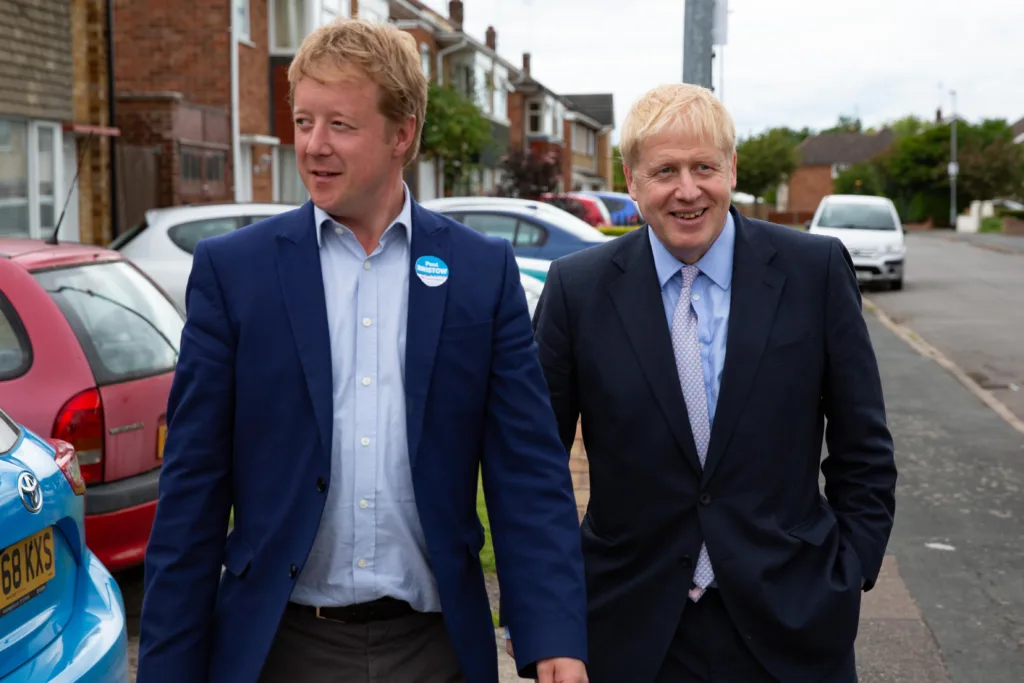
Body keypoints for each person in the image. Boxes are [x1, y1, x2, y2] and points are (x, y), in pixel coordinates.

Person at [137, 18, 588, 683]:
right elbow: (192, 490)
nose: (314, 145)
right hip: (281, 646)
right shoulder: (235, 273)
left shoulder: (479, 273)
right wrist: (168, 668)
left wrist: (554, 634)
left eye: (340, 125)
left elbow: (528, 470)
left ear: (401, 133)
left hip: (435, 648)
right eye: (303, 121)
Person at [526, 83, 897, 682]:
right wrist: (549, 624)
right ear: (631, 179)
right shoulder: (578, 290)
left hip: (792, 625)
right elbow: (534, 470)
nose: (688, 190)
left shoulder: (814, 272)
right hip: (629, 632)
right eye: (665, 170)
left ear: (732, 167)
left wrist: (848, 571)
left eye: (704, 167)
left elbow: (865, 452)